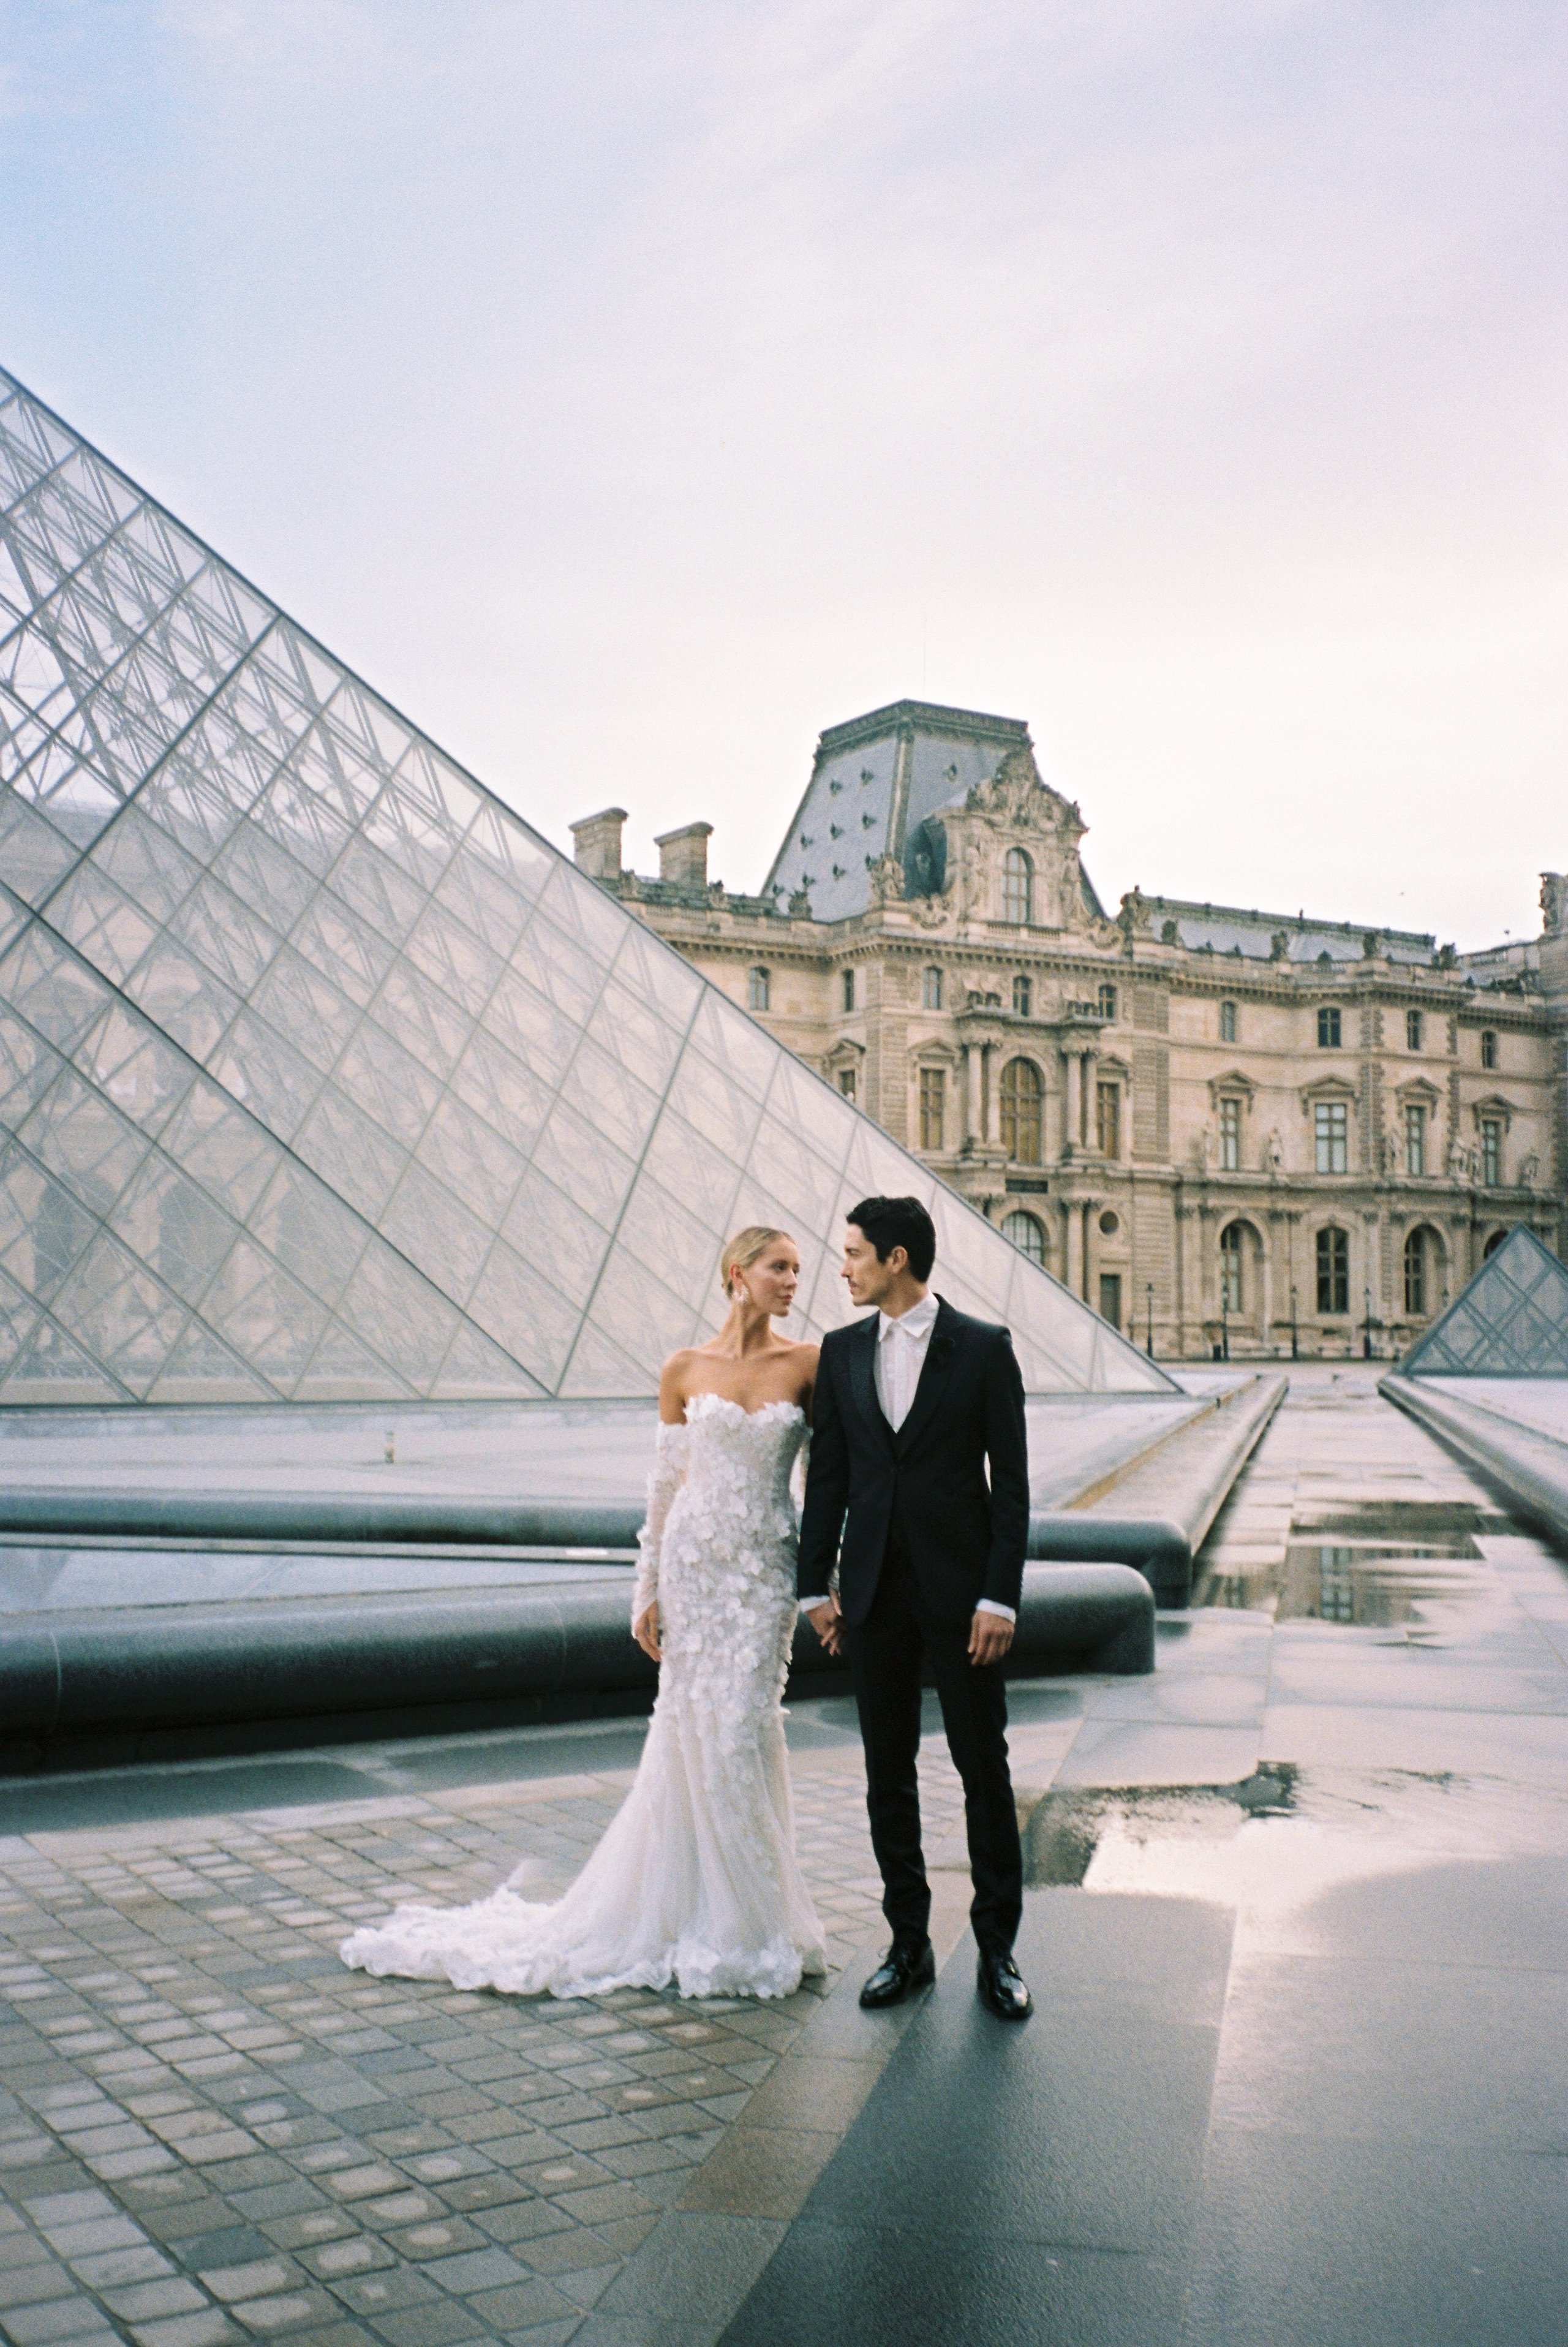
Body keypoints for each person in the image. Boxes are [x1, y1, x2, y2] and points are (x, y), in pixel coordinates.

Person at [340, 1228, 827, 2001]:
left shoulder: (810, 1363)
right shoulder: (682, 1368)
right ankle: (713, 1917)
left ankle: (747, 1921)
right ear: (737, 1274)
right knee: (692, 1735)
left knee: (740, 1730)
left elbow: (825, 1481)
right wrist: (647, 1589)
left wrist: (819, 1583)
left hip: (763, 1569)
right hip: (696, 1567)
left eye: (799, 1270)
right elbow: (665, 1488)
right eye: (779, 1267)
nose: (793, 1281)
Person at [798, 1196, 1033, 2021]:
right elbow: (827, 1476)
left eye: (856, 1252)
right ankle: (910, 1943)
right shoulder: (841, 1349)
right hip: (871, 1594)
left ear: (897, 1258)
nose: (845, 1266)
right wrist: (812, 1586)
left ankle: (998, 1947)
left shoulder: (983, 1348)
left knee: (983, 1769)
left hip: (964, 1596)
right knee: (885, 1773)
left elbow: (1012, 1489)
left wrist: (1000, 1592)